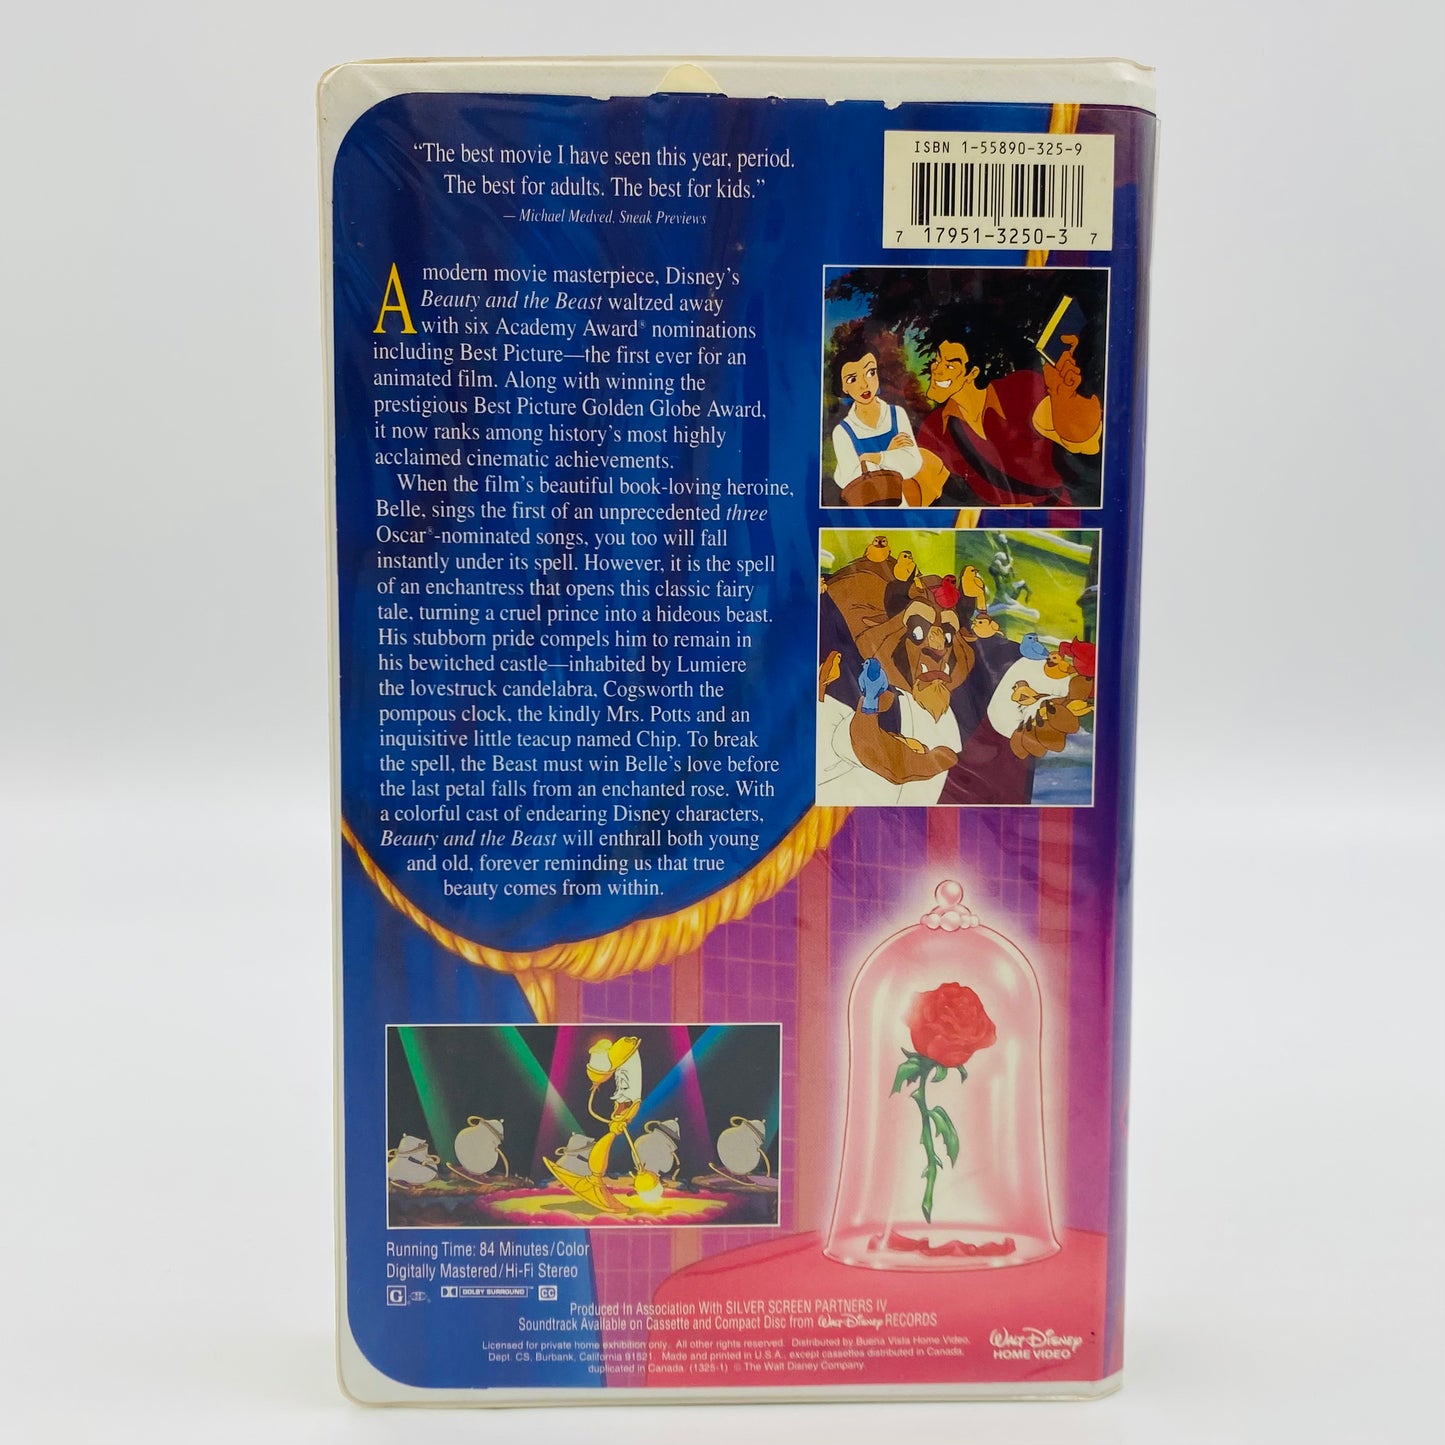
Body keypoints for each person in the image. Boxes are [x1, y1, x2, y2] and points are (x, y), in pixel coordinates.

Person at [912, 321, 1103, 508]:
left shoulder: (1019, 389)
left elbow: (1084, 442)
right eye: (938, 360)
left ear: (972, 373)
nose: (937, 370)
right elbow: (922, 484)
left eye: (950, 366)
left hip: (1053, 515)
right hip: (997, 523)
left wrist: (1065, 397)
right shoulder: (936, 426)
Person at [829, 337, 922, 498]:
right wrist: (889, 453)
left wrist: (872, 457)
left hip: (902, 503)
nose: (864, 384)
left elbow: (913, 463)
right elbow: (852, 481)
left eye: (870, 372)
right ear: (843, 387)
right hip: (866, 508)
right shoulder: (842, 432)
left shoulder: (897, 414)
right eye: (852, 379)